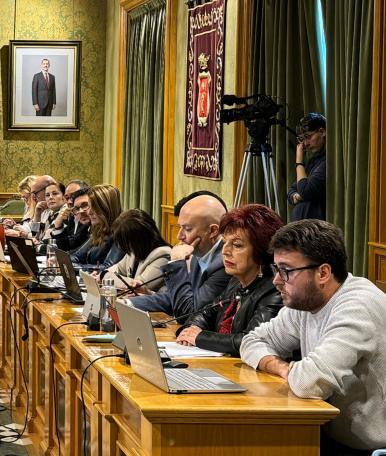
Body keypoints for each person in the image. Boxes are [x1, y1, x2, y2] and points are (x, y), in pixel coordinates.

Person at [241, 220, 386, 454]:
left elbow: (309, 383)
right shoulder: (307, 303)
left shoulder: (358, 306)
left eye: (286, 270)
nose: (276, 280)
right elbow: (250, 342)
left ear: (323, 273)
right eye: (276, 269)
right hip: (330, 435)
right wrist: (280, 367)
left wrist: (295, 371)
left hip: (368, 448)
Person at [174, 204, 284, 356]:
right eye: (225, 242)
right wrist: (190, 329)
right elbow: (203, 314)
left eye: (237, 245)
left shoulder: (275, 290)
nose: (225, 251)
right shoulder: (236, 282)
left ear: (261, 251)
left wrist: (199, 337)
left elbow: (251, 341)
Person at [129, 192, 231, 319]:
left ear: (212, 231)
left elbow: (187, 311)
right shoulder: (198, 253)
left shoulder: (224, 263)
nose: (179, 236)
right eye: (180, 227)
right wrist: (128, 303)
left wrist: (176, 263)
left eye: (187, 229)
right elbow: (174, 297)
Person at [106, 209, 171, 294]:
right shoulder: (134, 252)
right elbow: (113, 270)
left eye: (125, 242)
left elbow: (138, 286)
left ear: (138, 239)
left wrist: (105, 276)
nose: (120, 247)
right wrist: (105, 275)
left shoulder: (164, 256)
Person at [67, 183, 124, 270]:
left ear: (106, 207)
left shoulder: (122, 231)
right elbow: (78, 256)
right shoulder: (99, 228)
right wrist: (59, 261)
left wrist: (71, 267)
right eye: (89, 206)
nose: (89, 212)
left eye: (93, 207)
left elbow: (108, 267)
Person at [287, 113, 326, 221]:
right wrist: (296, 196)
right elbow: (292, 189)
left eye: (308, 137)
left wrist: (299, 162)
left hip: (315, 229)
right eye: (301, 139)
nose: (305, 143)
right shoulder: (313, 160)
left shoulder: (327, 161)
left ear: (322, 132)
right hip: (301, 228)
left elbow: (305, 191)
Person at [48, 180, 90, 251]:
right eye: (67, 198)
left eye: (74, 196)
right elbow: (64, 246)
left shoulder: (88, 217)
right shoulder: (71, 217)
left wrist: (39, 247)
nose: (70, 201)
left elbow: (75, 245)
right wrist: (58, 225)